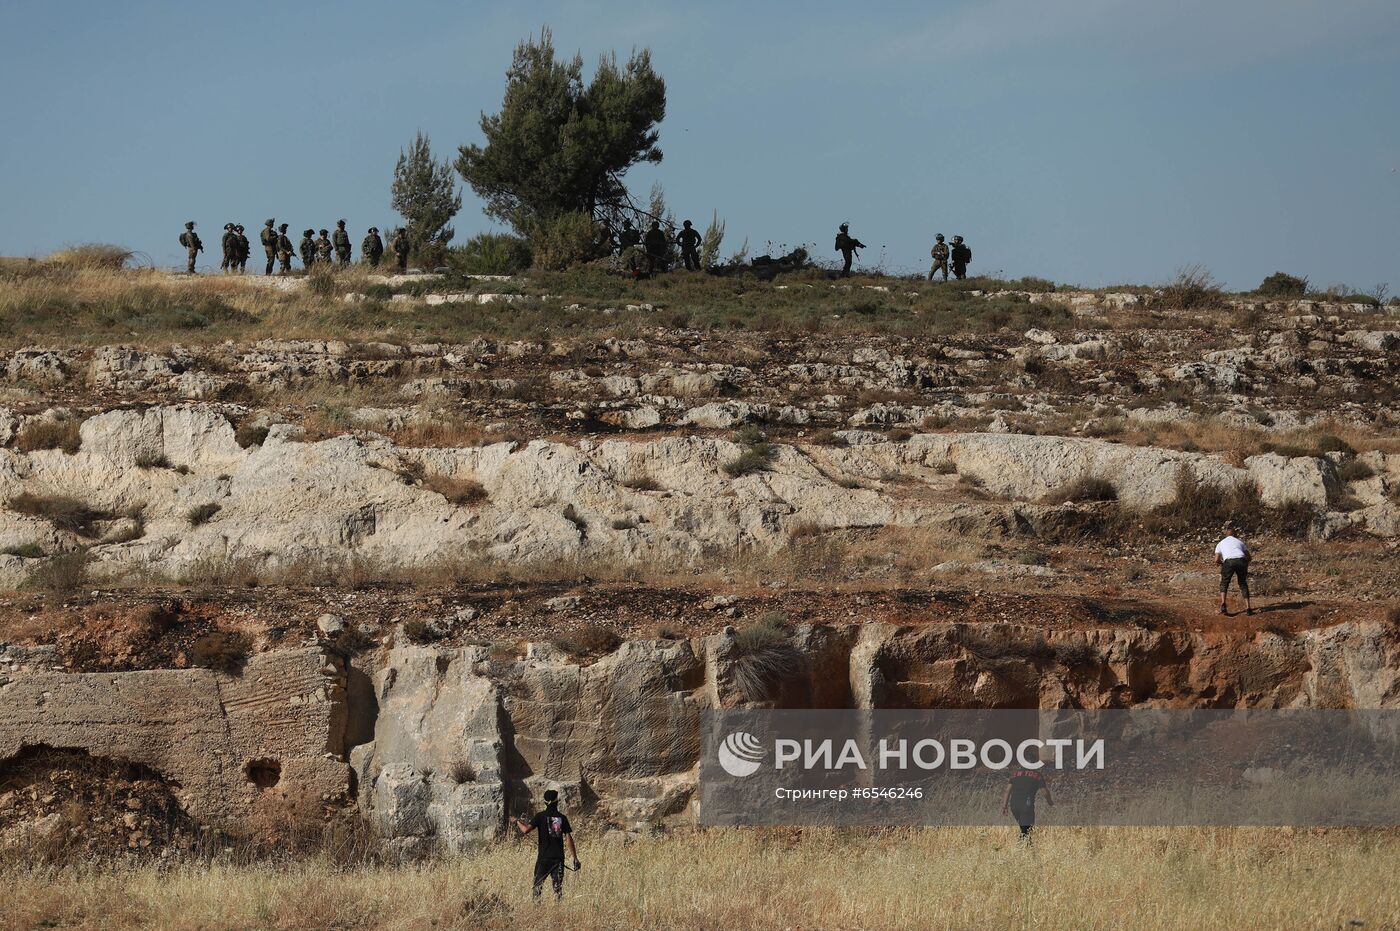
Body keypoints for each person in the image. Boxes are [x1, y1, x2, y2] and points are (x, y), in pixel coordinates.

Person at [510, 789, 579, 901]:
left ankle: (537, 910)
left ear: (545, 802)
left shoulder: (540, 816)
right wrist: (575, 858)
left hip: (544, 858)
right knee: (557, 889)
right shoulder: (562, 818)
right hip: (558, 859)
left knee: (537, 887)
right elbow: (569, 839)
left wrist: (517, 821)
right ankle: (558, 911)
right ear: (557, 802)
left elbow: (526, 830)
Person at [1002, 760, 1052, 841]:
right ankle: (1019, 849)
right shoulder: (1037, 775)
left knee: (1025, 830)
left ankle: (1029, 850)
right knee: (1026, 832)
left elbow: (1007, 790)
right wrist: (1050, 803)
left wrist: (1004, 806)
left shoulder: (1015, 774)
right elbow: (1045, 792)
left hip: (1014, 805)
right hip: (1026, 806)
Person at [1215, 521, 1253, 615]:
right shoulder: (1240, 541)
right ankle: (1248, 608)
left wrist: (1223, 563)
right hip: (1241, 560)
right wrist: (1245, 563)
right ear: (1235, 534)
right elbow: (1249, 557)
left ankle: (1223, 604)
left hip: (1229, 561)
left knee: (1224, 583)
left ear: (1226, 535)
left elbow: (1216, 559)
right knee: (1243, 583)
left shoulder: (1220, 543)